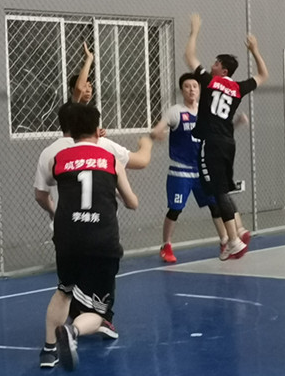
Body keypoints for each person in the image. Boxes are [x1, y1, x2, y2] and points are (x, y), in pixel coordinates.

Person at [36, 103, 138, 371]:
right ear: (97, 129)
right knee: (97, 312)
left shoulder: (57, 158)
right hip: (101, 238)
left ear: (70, 132)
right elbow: (132, 202)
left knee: (64, 290)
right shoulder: (110, 159)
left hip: (68, 236)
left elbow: (45, 189)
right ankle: (73, 332)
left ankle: (48, 351)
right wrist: (115, 191)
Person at [184, 13, 268, 261]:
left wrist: (194, 31)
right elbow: (263, 75)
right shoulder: (238, 88)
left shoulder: (210, 82)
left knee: (217, 192)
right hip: (228, 143)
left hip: (210, 142)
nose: (212, 65)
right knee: (222, 190)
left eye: (216, 63)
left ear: (223, 69)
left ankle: (234, 240)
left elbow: (189, 56)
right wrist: (255, 50)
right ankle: (235, 235)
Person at [151, 73, 252, 263]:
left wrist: (237, 123)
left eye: (195, 86)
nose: (191, 90)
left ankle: (225, 241)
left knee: (215, 205)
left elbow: (221, 131)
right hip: (181, 170)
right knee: (175, 210)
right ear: (182, 90)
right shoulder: (176, 111)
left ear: (200, 90)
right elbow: (158, 128)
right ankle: (166, 245)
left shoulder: (207, 111)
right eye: (187, 86)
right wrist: (157, 133)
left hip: (203, 167)